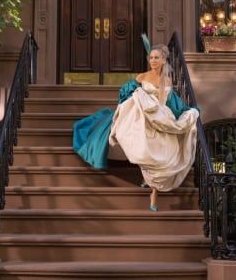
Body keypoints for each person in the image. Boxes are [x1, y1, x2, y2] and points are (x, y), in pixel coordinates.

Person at [72, 44, 199, 211]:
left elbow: (171, 102)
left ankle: (153, 189)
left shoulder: (167, 80)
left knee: (165, 149)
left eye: (156, 58)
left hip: (162, 117)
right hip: (143, 116)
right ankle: (150, 184)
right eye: (151, 58)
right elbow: (125, 94)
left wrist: (186, 111)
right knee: (144, 146)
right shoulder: (142, 77)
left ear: (163, 60)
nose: (153, 61)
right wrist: (136, 98)